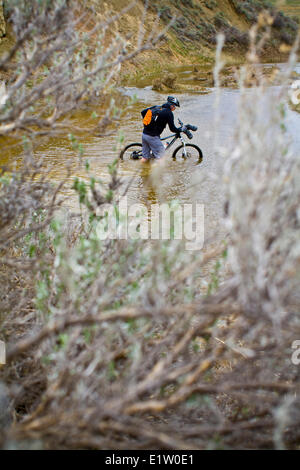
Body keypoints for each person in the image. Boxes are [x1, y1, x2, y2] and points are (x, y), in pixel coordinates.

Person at [140, 96, 182, 163]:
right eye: (175, 106)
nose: (175, 108)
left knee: (145, 158)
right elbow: (172, 128)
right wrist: (180, 130)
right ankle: (156, 173)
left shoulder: (157, 107)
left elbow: (143, 112)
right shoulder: (169, 113)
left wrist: (150, 124)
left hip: (144, 134)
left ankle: (138, 172)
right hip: (153, 137)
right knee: (162, 158)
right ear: (171, 105)